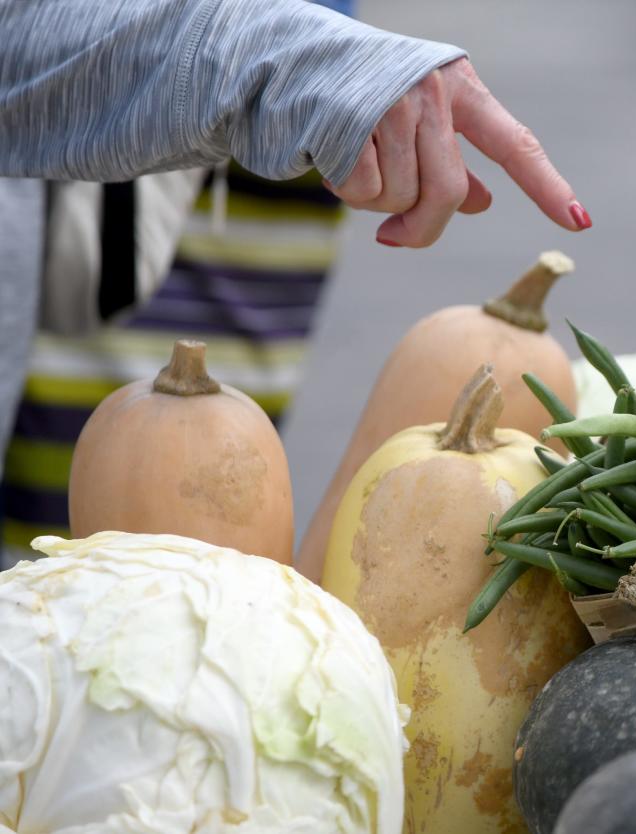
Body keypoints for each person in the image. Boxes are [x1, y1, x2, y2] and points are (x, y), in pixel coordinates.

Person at [0, 0, 591, 522]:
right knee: (92, 532)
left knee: (191, 549)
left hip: (322, 103)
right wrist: (270, 57)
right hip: (215, 80)